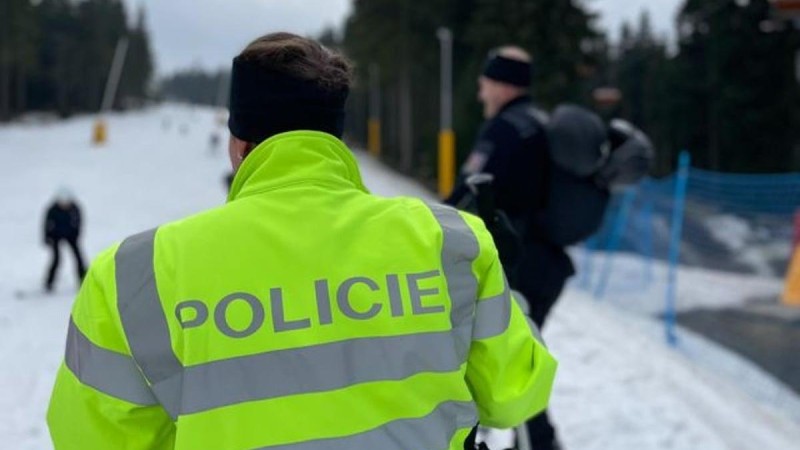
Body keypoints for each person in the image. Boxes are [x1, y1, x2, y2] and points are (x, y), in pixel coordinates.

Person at [47, 32, 557, 450]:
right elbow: (515, 395)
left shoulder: (133, 274)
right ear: (333, 137)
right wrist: (512, 299)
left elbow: (86, 438)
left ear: (239, 144)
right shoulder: (450, 242)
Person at [445, 47, 569, 450]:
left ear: (501, 85)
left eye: (485, 84)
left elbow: (466, 194)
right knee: (517, 363)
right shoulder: (541, 124)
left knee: (510, 369)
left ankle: (541, 444)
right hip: (547, 263)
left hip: (520, 266)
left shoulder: (505, 130)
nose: (481, 94)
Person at [43, 188, 87, 293]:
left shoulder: (75, 209)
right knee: (56, 259)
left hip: (71, 235)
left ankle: (84, 281)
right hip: (55, 236)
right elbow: (46, 225)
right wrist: (48, 237)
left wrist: (76, 236)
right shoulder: (52, 209)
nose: (64, 205)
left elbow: (78, 223)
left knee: (78, 258)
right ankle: (49, 283)